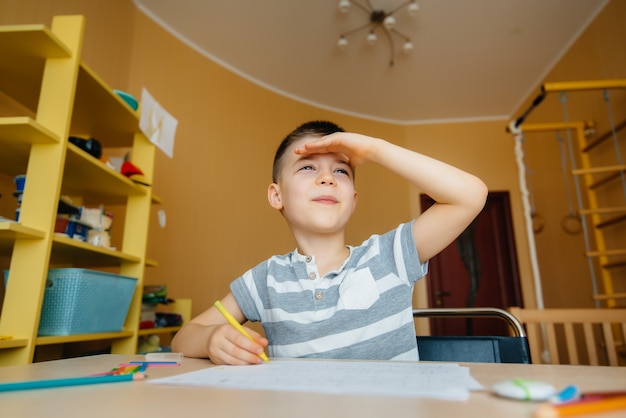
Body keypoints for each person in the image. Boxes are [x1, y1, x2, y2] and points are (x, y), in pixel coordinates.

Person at [171, 120, 488, 365]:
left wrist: (375, 149)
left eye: (341, 170)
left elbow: (470, 196)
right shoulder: (264, 280)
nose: (327, 178)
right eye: (308, 167)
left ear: (353, 199)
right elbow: (183, 338)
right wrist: (212, 340)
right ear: (276, 195)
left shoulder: (389, 257)